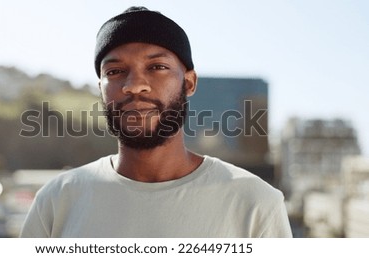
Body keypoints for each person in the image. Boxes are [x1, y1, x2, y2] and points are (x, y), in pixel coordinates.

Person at [20, 6, 292, 238]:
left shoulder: (256, 203)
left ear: (188, 82)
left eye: (156, 67)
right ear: (100, 88)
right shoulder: (55, 203)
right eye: (115, 71)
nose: (135, 86)